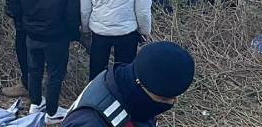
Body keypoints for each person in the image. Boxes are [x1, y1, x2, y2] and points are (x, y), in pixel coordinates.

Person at [9, 0, 80, 123]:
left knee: (34, 69)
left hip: (32, 35)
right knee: (55, 74)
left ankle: (35, 103)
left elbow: (14, 7)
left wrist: (22, 26)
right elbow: (73, 15)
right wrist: (73, 34)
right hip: (57, 37)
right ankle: (52, 111)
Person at [63, 41, 195, 127]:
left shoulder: (122, 83)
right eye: (163, 99)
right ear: (140, 84)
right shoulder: (92, 122)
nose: (171, 103)